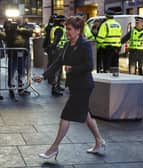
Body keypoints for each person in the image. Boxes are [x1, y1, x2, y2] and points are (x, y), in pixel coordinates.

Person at [34, 16, 106, 159]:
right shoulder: (68, 44)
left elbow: (89, 65)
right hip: (74, 86)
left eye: (69, 29)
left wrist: (72, 69)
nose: (67, 31)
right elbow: (57, 62)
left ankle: (54, 148)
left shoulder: (84, 44)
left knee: (66, 115)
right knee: (87, 115)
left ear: (78, 30)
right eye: (66, 28)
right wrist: (44, 76)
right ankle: (99, 140)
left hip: (83, 86)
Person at [4, 19, 33, 98]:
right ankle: (12, 89)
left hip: (22, 54)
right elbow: (9, 38)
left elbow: (30, 32)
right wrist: (12, 29)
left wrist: (19, 30)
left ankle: (21, 88)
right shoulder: (10, 31)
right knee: (12, 72)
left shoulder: (23, 30)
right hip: (13, 54)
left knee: (21, 72)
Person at [96, 9, 122, 76]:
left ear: (106, 16)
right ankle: (115, 79)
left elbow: (100, 39)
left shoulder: (105, 24)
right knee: (115, 66)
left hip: (107, 49)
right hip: (117, 48)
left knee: (107, 67)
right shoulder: (118, 24)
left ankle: (107, 80)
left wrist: (98, 44)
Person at [48, 14, 67, 96]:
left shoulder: (55, 28)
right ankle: (55, 88)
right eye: (63, 21)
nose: (64, 22)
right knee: (57, 70)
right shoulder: (59, 30)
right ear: (60, 22)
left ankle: (57, 86)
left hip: (57, 50)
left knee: (58, 70)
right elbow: (56, 41)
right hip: (58, 50)